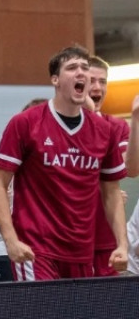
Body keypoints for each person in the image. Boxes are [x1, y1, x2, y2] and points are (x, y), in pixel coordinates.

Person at [0, 46, 128, 281]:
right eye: (72, 68)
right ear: (55, 79)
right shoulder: (26, 123)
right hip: (36, 250)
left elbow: (112, 192)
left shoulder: (104, 131)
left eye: (84, 68)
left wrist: (122, 244)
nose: (81, 73)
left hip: (82, 252)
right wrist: (11, 240)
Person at [0, 98, 47, 282]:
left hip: (47, 250)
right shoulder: (7, 161)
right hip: (6, 250)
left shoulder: (55, 163)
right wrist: (4, 196)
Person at [88, 56, 135, 276]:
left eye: (103, 81)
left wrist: (134, 120)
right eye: (92, 80)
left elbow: (129, 168)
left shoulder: (115, 126)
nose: (98, 87)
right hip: (66, 241)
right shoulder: (52, 124)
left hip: (106, 239)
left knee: (107, 308)